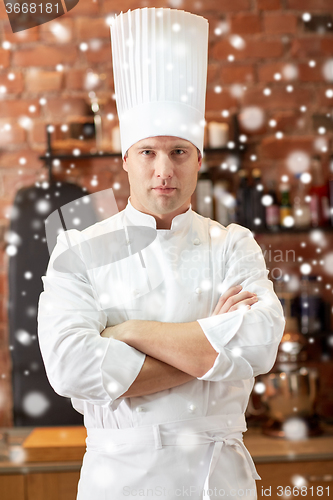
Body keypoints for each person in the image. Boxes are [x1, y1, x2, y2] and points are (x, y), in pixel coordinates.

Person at [38, 7, 285, 500]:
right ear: (126, 159)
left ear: (199, 159)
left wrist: (129, 334)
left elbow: (258, 345)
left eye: (178, 152)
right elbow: (70, 367)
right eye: (148, 152)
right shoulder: (78, 248)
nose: (163, 170)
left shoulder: (233, 243)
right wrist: (211, 348)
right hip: (120, 482)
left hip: (217, 481)